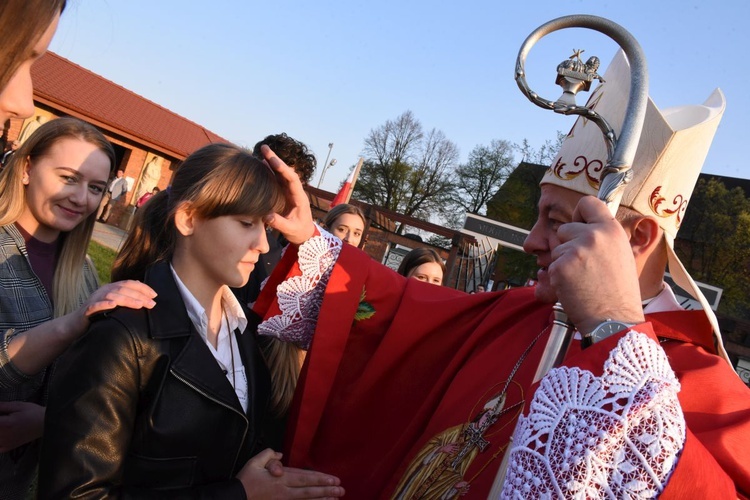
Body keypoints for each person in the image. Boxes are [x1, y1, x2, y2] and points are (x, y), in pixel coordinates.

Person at [252, 51, 750, 498]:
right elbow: (398, 313)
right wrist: (311, 241)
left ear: (637, 239)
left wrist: (614, 333)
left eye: (554, 220)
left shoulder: (711, 396)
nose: (531, 240)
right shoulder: (521, 311)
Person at [38, 143, 344, 498]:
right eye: (246, 223)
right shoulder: (122, 338)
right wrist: (239, 494)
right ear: (188, 219)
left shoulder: (246, 330)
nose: (262, 244)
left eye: (265, 225)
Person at [0, 116, 158, 499]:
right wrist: (74, 322)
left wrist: (48, 421)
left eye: (95, 188)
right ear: (26, 168)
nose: (80, 198)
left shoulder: (83, 269)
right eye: (68, 178)